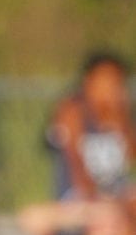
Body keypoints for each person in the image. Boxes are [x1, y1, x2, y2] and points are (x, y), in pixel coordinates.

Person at [45, 53, 136, 200]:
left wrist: (120, 124)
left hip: (117, 192)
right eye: (107, 80)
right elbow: (76, 165)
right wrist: (100, 198)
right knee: (108, 219)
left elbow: (131, 157)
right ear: (89, 81)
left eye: (117, 82)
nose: (113, 88)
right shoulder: (72, 111)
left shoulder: (120, 114)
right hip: (78, 196)